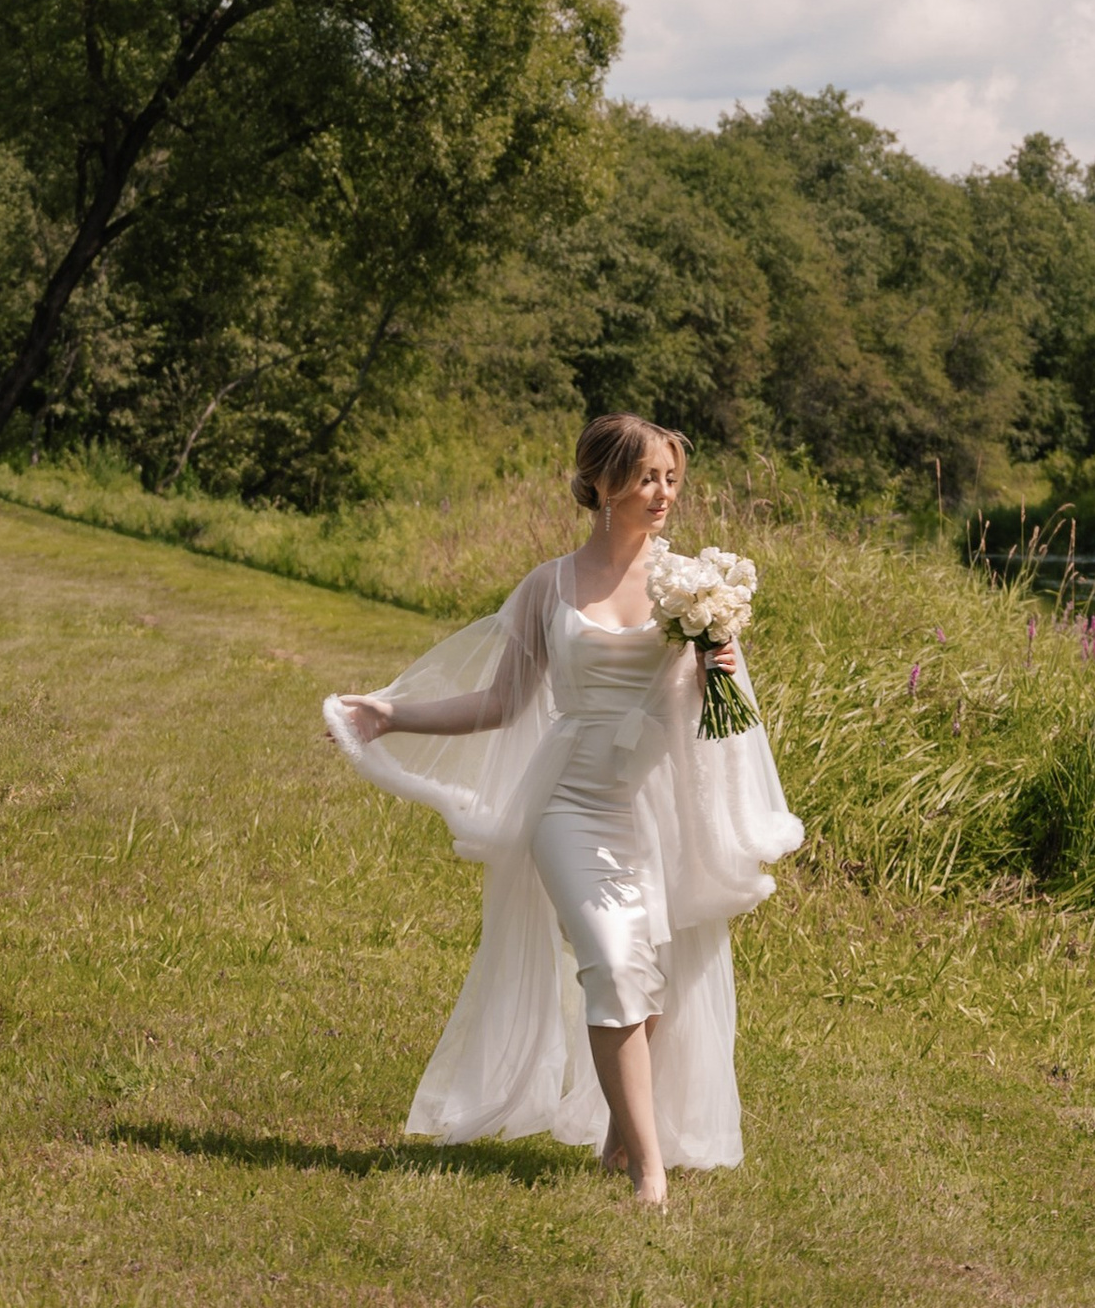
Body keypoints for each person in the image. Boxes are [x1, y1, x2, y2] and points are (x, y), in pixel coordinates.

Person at [325, 413, 802, 1206]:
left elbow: (726, 717)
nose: (664, 494)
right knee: (614, 963)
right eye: (648, 477)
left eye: (672, 479)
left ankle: (621, 1132)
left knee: (653, 977)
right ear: (603, 483)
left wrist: (715, 668)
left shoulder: (695, 586)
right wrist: (392, 713)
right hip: (571, 802)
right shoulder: (548, 587)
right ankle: (651, 1173)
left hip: (661, 801)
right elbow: (504, 701)